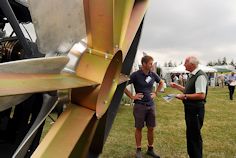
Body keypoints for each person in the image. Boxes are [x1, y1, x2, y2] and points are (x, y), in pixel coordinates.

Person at [125, 55, 163, 158]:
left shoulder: (153, 74)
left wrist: (155, 93)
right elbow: (123, 85)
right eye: (150, 63)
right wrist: (132, 96)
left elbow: (161, 83)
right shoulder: (135, 75)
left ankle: (150, 149)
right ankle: (138, 150)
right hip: (139, 106)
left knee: (151, 128)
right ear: (144, 64)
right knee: (139, 128)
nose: (152, 65)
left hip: (151, 105)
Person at [170, 56, 208, 158]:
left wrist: (184, 96)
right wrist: (177, 87)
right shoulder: (192, 75)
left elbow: (201, 95)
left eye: (185, 63)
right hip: (190, 110)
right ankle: (192, 155)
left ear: (192, 64)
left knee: (194, 136)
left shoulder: (200, 76)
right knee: (190, 134)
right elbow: (188, 90)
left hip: (195, 110)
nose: (183, 65)